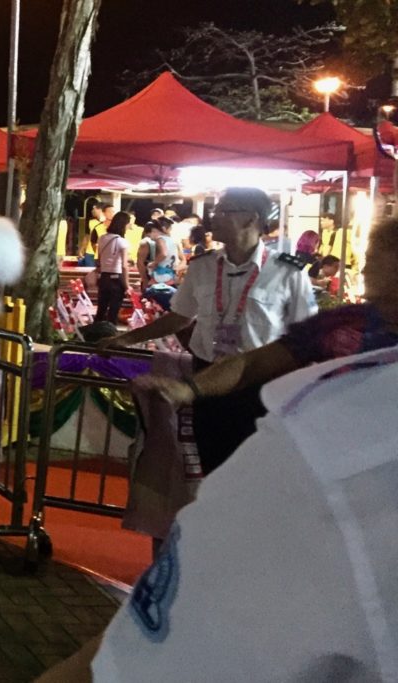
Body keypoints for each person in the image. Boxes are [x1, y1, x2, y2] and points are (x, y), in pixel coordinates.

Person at [36, 344, 398, 683]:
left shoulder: (332, 448)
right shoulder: (347, 358)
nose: (365, 272)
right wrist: (190, 389)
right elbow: (256, 358)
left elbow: (140, 657)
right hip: (219, 397)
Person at [133, 217, 398, 475]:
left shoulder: (288, 272)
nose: (364, 270)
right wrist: (190, 388)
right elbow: (253, 363)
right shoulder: (342, 324)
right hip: (343, 463)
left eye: (375, 261)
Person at [99, 187, 316, 475]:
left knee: (253, 472)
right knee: (209, 465)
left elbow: (307, 336)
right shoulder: (202, 267)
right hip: (206, 380)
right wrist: (125, 338)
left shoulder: (288, 272)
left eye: (224, 211)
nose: (214, 217)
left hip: (258, 386)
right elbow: (179, 317)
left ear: (251, 219)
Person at [95, 211, 132, 324]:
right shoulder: (122, 242)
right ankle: (110, 334)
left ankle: (95, 333)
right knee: (113, 310)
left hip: (104, 277)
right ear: (123, 225)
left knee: (101, 308)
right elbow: (124, 266)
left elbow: (99, 259)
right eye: (128, 224)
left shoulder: (102, 238)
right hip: (116, 279)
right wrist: (127, 286)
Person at [143, 217, 181, 311]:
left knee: (156, 304)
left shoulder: (160, 239)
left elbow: (163, 253)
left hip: (160, 277)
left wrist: (153, 263)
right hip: (170, 276)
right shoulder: (173, 240)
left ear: (155, 230)